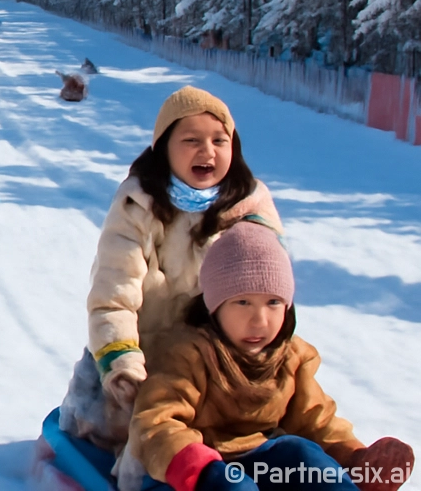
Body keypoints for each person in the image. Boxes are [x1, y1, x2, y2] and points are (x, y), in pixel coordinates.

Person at [58, 86, 284, 458]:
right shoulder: (138, 205)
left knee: (261, 423)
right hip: (147, 358)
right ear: (164, 148)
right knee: (137, 437)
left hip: (220, 364)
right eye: (191, 140)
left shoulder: (250, 210)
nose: (207, 151)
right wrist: (122, 360)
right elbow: (114, 294)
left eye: (219, 140)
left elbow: (270, 294)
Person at [130, 221, 415, 491]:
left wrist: (356, 458)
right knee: (235, 486)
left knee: (301, 453)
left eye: (273, 303)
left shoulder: (289, 357)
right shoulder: (188, 353)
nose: (259, 319)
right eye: (242, 302)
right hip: (192, 475)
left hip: (262, 462)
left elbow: (316, 421)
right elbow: (157, 423)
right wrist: (197, 466)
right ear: (214, 306)